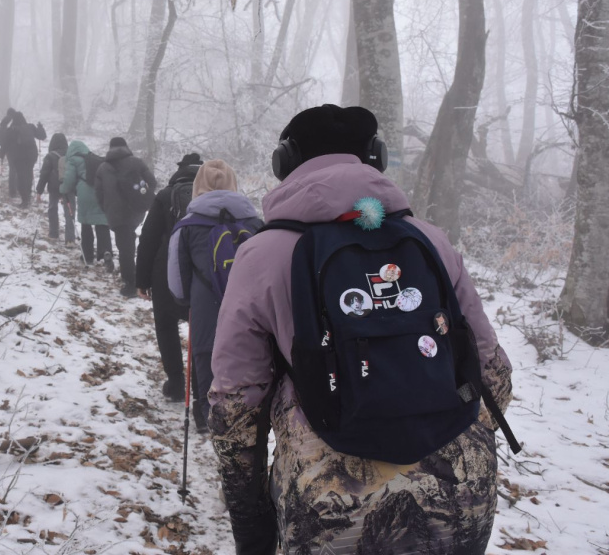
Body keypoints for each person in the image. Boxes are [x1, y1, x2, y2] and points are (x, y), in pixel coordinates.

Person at [208, 104, 514, 555]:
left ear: (284, 163)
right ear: (377, 157)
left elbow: (235, 407)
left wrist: (250, 520)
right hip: (459, 494)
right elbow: (492, 372)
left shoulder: (261, 255)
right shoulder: (431, 239)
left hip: (331, 505)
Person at [167, 159, 262, 433]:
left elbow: (177, 281)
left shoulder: (186, 226)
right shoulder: (255, 223)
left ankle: (211, 421)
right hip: (249, 312)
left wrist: (186, 302)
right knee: (249, 363)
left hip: (206, 311)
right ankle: (248, 422)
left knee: (207, 367)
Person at [135, 153, 203, 403]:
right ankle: (199, 390)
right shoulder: (212, 197)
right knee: (201, 330)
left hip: (165, 272)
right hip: (202, 274)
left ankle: (176, 384)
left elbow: (148, 239)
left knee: (165, 326)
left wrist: (141, 280)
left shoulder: (165, 196)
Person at [95, 137, 157, 297]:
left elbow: (99, 194)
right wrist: (139, 195)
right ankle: (135, 276)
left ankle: (131, 285)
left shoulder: (103, 168)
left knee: (125, 248)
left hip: (115, 213)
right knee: (128, 243)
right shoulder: (137, 162)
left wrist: (107, 208)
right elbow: (152, 182)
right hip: (136, 211)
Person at [60, 140, 111, 267]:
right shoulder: (93, 157)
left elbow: (69, 181)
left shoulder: (73, 160)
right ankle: (106, 251)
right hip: (101, 192)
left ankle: (87, 256)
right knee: (102, 223)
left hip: (85, 193)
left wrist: (62, 189)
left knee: (86, 225)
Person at [0, 108, 46, 208]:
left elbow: (5, 144)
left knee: (21, 177)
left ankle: (25, 199)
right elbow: (42, 136)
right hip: (32, 155)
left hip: (19, 156)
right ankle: (28, 195)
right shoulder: (30, 127)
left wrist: (1, 153)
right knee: (28, 174)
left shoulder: (12, 130)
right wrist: (40, 127)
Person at [36, 132, 76, 244]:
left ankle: (53, 234)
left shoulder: (50, 156)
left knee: (53, 208)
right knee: (70, 211)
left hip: (54, 187)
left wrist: (39, 191)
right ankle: (70, 239)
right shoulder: (71, 155)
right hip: (68, 186)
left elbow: (44, 174)